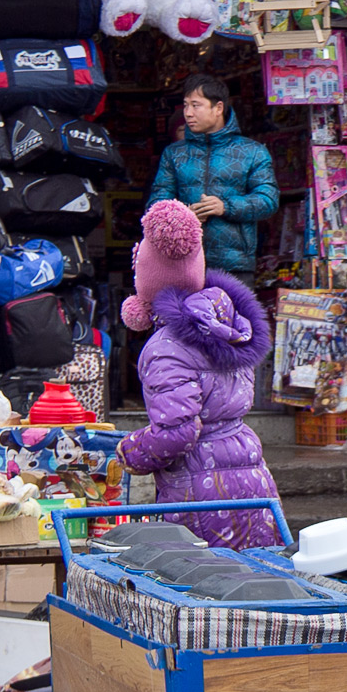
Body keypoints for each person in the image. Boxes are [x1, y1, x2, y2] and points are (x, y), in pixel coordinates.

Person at [118, 200, 280, 549]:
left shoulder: (166, 347)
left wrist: (131, 451)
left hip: (200, 484)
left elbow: (177, 433)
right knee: (256, 578)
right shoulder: (228, 324)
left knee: (206, 585)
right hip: (248, 469)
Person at [146, 74, 280, 276]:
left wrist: (225, 206)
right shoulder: (174, 154)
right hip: (182, 262)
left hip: (235, 265)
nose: (188, 113)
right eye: (185, 106)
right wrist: (183, 216)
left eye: (195, 105)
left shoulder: (252, 152)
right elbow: (156, 204)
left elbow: (268, 200)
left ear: (218, 108)